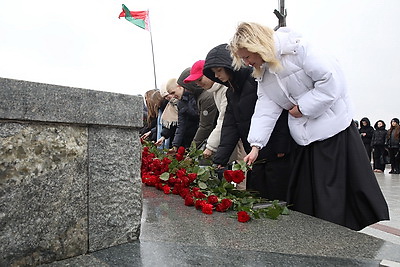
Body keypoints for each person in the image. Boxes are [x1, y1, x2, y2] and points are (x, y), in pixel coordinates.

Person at [229, 22, 389, 230]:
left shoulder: (300, 50)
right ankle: (318, 236)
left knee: (331, 195)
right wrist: (256, 145)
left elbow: (332, 83)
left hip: (333, 131)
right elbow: (266, 107)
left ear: (258, 46)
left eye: (247, 56)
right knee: (307, 197)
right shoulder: (266, 72)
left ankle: (335, 236)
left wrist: (303, 107)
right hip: (304, 135)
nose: (246, 62)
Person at [203, 43, 294, 201]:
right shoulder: (232, 93)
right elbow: (230, 126)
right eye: (213, 73)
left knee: (278, 198)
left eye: (218, 70)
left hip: (276, 151)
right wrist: (220, 159)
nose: (216, 76)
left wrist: (281, 144)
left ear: (231, 65)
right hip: (254, 154)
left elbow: (277, 111)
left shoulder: (255, 81)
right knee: (257, 196)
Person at [184, 59, 247, 189]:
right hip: (233, 136)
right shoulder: (214, 91)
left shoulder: (224, 89)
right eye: (195, 81)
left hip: (240, 136)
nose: (198, 84)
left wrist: (211, 146)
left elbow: (223, 120)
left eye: (200, 79)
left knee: (241, 176)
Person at [177, 67, 218, 149]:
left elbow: (205, 126)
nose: (185, 90)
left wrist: (193, 148)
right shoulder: (200, 97)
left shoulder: (206, 97)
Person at [165, 78, 199, 149]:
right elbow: (181, 125)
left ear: (179, 86)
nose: (173, 96)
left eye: (173, 92)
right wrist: (175, 145)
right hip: (192, 137)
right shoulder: (181, 103)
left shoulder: (195, 96)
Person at [155, 83, 179, 149]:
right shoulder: (170, 106)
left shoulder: (184, 102)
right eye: (165, 97)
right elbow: (170, 124)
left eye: (170, 94)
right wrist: (163, 137)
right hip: (179, 139)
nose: (168, 98)